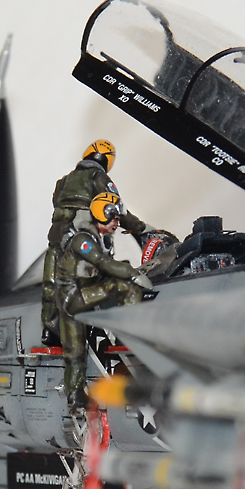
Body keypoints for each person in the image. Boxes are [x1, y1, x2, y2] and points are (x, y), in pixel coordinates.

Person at [41, 140, 153, 344]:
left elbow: (57, 204)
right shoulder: (99, 178)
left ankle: (50, 331)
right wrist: (139, 227)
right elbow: (116, 208)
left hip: (57, 238)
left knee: (51, 285)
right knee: (97, 278)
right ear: (107, 159)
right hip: (82, 238)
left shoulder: (63, 181)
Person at [56, 192, 153, 411]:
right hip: (73, 296)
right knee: (122, 288)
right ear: (102, 214)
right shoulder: (83, 241)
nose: (117, 222)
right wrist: (132, 274)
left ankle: (75, 395)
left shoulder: (102, 239)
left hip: (83, 291)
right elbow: (101, 262)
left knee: (75, 351)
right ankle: (132, 337)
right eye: (114, 217)